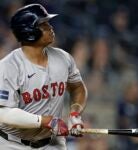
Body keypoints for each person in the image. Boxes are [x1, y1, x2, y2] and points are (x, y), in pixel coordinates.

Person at [0, 3, 87, 150]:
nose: (51, 28)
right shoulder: (8, 67)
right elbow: (3, 114)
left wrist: (75, 114)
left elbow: (78, 87)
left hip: (52, 143)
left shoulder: (63, 58)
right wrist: (44, 121)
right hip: (13, 144)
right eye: (44, 25)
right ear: (29, 31)